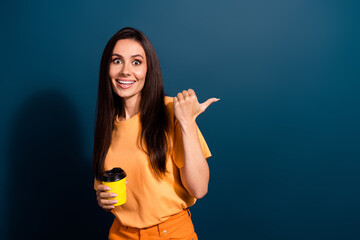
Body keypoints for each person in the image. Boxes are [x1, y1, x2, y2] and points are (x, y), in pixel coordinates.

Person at [93, 27, 219, 240]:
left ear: (149, 69)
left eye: (136, 62)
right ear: (107, 68)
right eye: (117, 60)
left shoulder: (173, 111)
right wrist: (102, 199)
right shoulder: (107, 123)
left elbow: (199, 189)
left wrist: (187, 123)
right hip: (121, 234)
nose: (125, 70)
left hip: (170, 234)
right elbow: (112, 191)